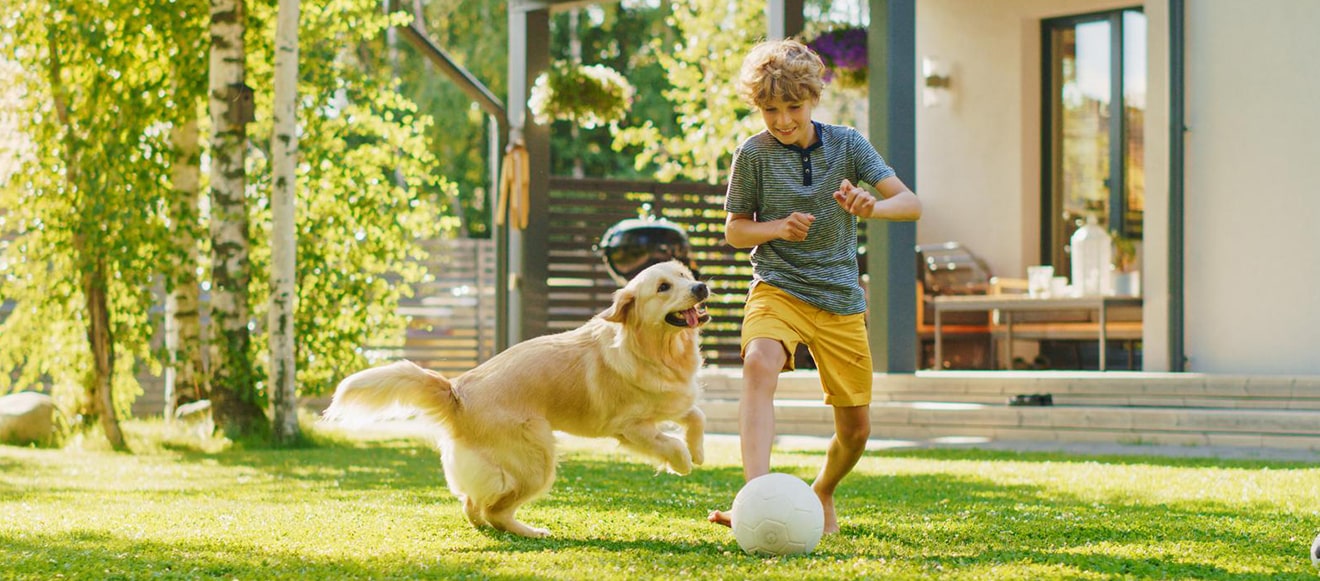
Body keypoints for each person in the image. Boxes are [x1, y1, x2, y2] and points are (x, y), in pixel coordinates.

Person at [708, 38, 922, 534]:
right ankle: (755, 499)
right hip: (778, 285)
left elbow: (909, 203)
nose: (782, 120)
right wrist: (777, 227)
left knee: (856, 429)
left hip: (839, 297)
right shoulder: (753, 154)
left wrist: (873, 207)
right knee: (760, 363)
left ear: (813, 99)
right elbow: (736, 230)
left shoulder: (847, 144)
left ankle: (822, 490)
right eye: (769, 109)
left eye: (793, 107)